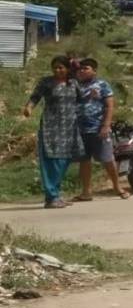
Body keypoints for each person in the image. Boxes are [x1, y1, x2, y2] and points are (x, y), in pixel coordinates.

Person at [22, 56, 84, 209]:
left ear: (68, 69)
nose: (57, 70)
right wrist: (29, 107)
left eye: (61, 67)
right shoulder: (46, 82)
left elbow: (81, 100)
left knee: (65, 160)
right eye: (55, 67)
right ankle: (51, 197)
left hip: (70, 127)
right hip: (51, 126)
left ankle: (55, 194)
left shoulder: (74, 83)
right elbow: (35, 97)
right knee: (51, 161)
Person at [75, 59, 129, 201]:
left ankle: (117, 187)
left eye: (86, 68)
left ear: (94, 70)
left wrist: (106, 125)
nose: (82, 71)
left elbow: (109, 106)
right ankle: (86, 191)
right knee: (84, 160)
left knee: (107, 159)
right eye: (80, 69)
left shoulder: (102, 85)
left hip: (98, 128)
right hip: (80, 130)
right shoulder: (75, 85)